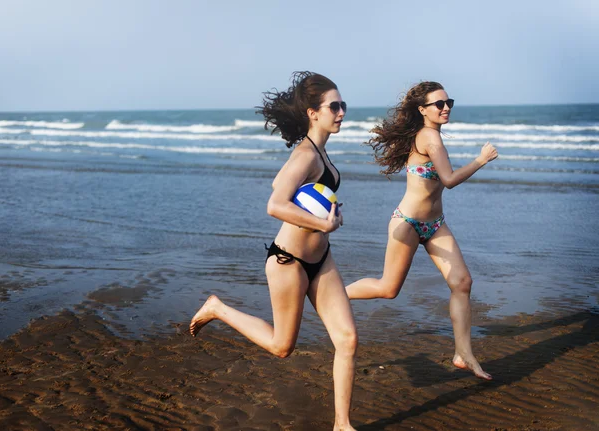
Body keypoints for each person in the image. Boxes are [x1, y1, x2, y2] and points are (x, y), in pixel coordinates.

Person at [190, 71, 358, 430]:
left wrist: (329, 215)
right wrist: (322, 224)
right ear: (313, 112)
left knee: (348, 339)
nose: (342, 111)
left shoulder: (321, 154)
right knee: (283, 347)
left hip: (321, 259)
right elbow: (274, 203)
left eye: (343, 105)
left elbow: (290, 191)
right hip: (289, 262)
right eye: (335, 106)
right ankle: (217, 307)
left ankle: (342, 425)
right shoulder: (307, 154)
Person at [346, 81, 497, 380]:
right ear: (422, 109)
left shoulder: (429, 135)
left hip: (435, 224)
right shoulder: (430, 137)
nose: (445, 108)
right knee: (388, 289)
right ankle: (332, 293)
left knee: (462, 282)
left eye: (448, 102)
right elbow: (449, 180)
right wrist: (481, 160)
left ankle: (463, 353)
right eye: (438, 104)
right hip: (409, 223)